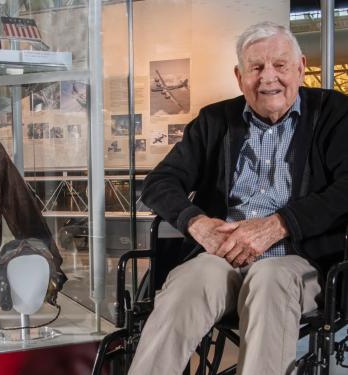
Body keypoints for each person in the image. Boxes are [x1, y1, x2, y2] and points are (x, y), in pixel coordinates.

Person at [129, 22, 348, 375]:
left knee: (269, 279)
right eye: (256, 68)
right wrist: (196, 223)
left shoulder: (335, 113)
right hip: (222, 257)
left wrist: (280, 224)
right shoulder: (215, 120)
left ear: (300, 67)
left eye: (279, 65)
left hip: (297, 260)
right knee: (188, 281)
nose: (268, 78)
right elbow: (160, 182)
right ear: (239, 75)